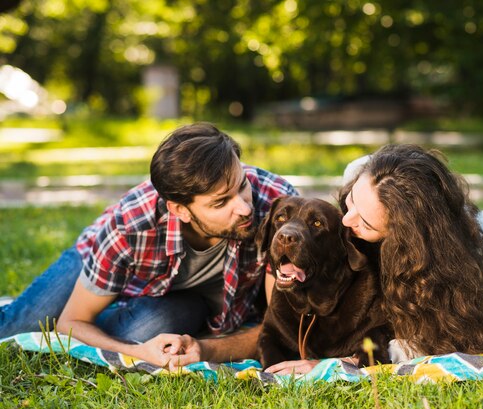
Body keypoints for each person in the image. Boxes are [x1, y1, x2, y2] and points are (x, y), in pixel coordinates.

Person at [0, 122, 297, 367]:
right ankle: (101, 303)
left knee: (142, 330)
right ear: (180, 210)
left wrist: (198, 349)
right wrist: (137, 353)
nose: (245, 208)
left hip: (188, 300)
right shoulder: (129, 226)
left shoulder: (277, 205)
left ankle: (112, 313)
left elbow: (280, 323)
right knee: (20, 325)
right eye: (221, 202)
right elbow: (72, 322)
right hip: (99, 258)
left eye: (242, 186)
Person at [265, 144, 483, 374]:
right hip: (413, 209)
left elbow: (447, 343)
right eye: (351, 202)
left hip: (481, 248)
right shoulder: (365, 181)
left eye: (366, 221)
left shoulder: (448, 280)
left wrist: (343, 364)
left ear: (400, 238)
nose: (347, 221)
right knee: (358, 168)